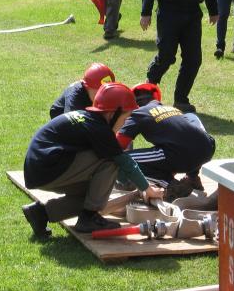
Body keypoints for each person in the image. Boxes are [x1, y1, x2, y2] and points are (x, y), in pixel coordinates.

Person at [22, 83, 164, 237]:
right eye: (125, 117)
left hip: (41, 169)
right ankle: (89, 218)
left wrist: (129, 183)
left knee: (94, 194)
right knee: (111, 161)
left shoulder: (92, 120)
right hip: (47, 167)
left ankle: (41, 213)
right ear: (112, 114)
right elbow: (123, 161)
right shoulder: (99, 128)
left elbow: (118, 175)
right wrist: (148, 189)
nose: (125, 123)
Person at [116, 83, 216, 200]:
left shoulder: (138, 113)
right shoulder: (172, 110)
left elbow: (117, 146)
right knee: (186, 142)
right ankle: (193, 179)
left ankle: (172, 186)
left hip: (180, 153)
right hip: (207, 148)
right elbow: (191, 138)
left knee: (121, 159)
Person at [49, 62, 115, 118]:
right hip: (61, 115)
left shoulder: (94, 94)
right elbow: (71, 122)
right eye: (99, 92)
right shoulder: (74, 97)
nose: (104, 97)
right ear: (87, 87)